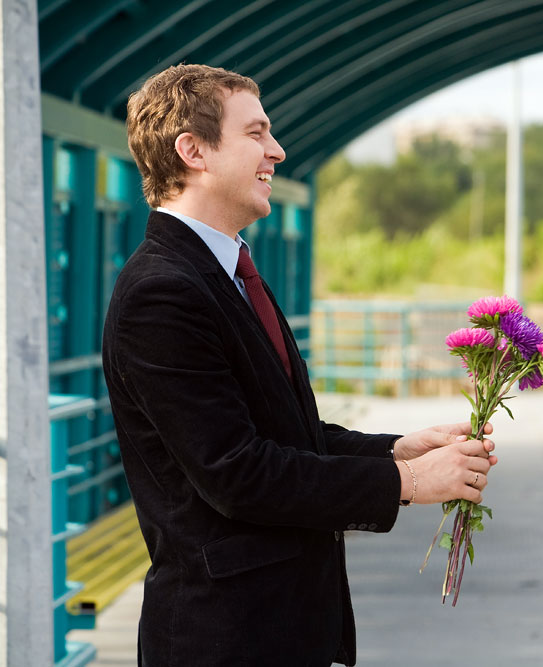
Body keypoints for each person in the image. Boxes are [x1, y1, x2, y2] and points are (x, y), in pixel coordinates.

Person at [103, 64, 497, 667]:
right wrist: (411, 486)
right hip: (226, 639)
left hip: (274, 630)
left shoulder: (222, 272)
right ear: (193, 151)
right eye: (256, 134)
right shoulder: (163, 293)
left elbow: (280, 435)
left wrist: (395, 450)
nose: (277, 151)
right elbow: (238, 473)